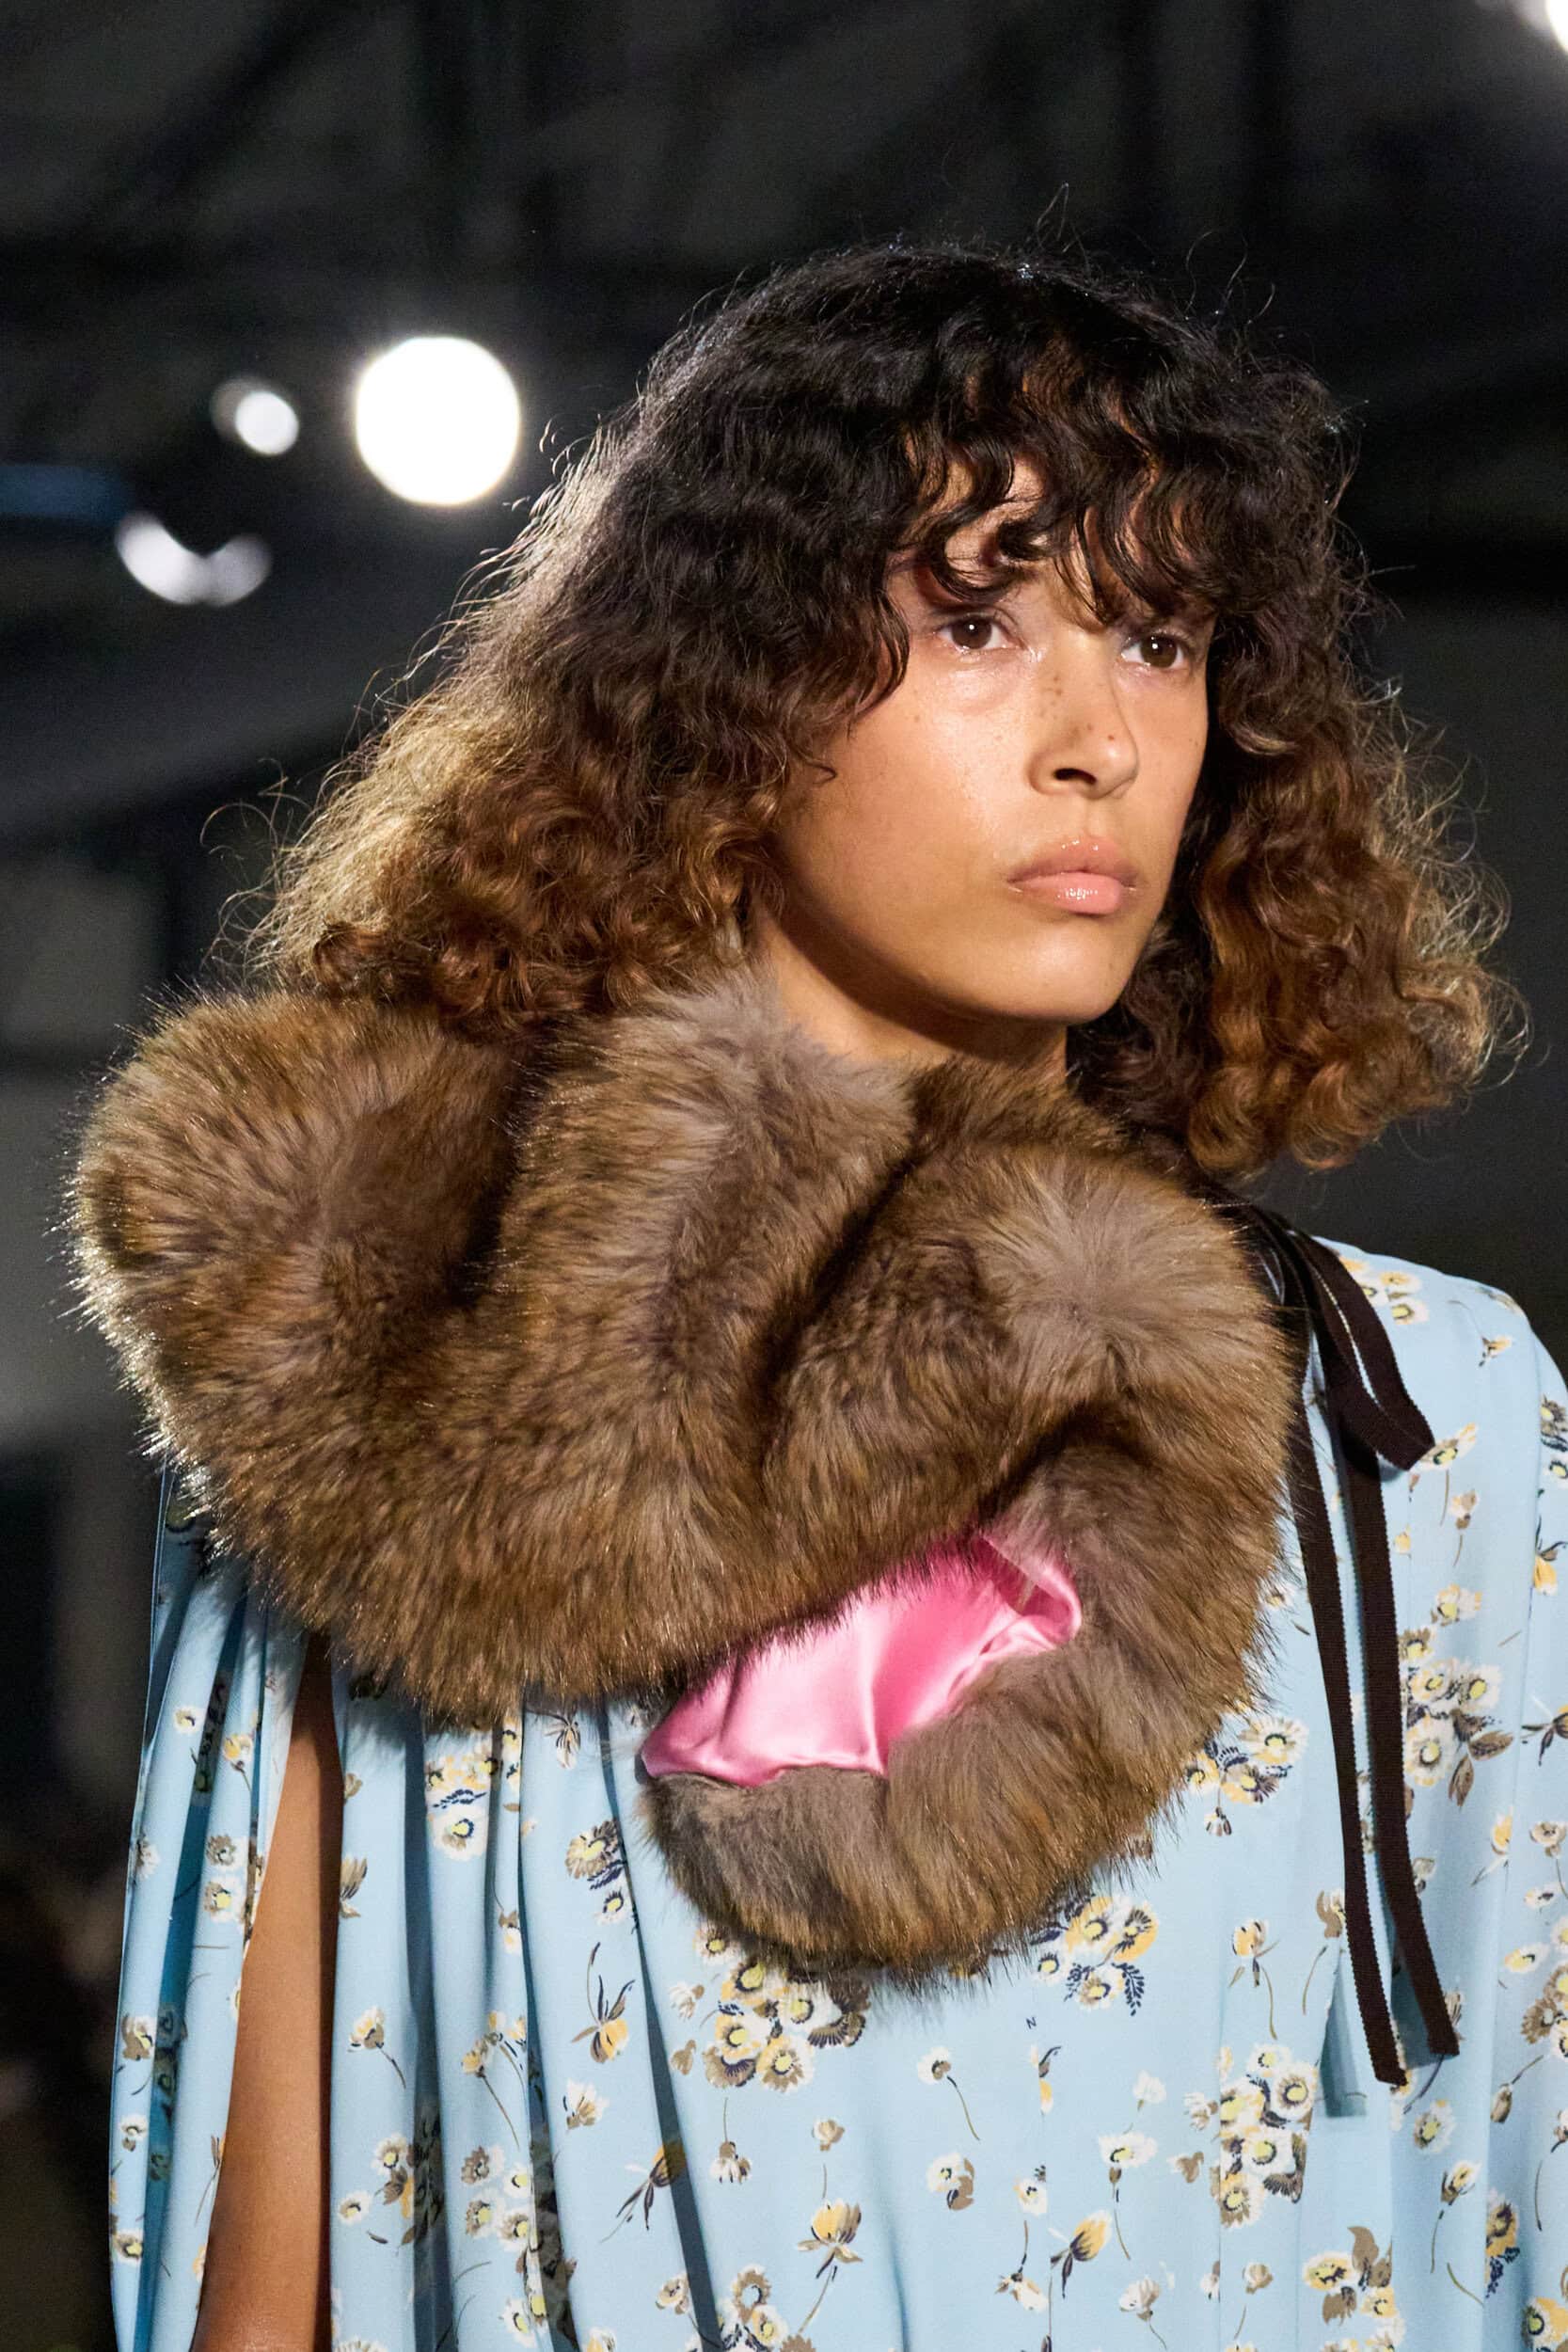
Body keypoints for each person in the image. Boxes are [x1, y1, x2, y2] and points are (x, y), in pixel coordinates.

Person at [61, 234, 1568, 2352]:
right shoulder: (376, 1377)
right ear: (731, 687)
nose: (1098, 742)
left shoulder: (1421, 1422)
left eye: (1158, 638)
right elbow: (271, 2281)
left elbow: (1517, 2189)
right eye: (978, 620)